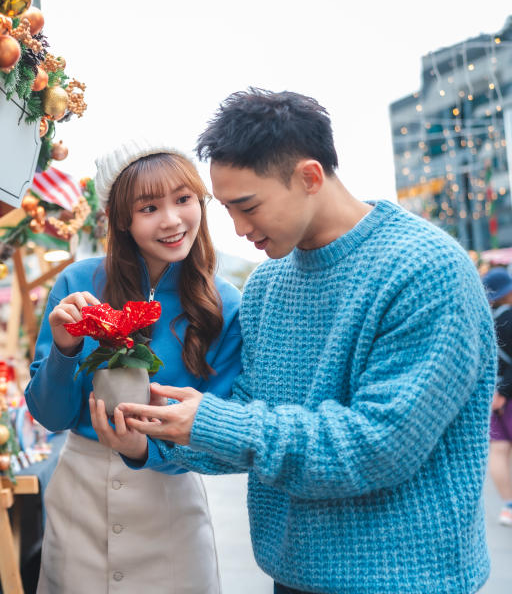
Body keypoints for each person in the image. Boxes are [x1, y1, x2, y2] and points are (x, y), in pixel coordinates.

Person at [92, 89, 495, 594]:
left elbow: (376, 446)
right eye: (227, 208)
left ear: (309, 177)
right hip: (292, 575)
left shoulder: (425, 271)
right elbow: (251, 416)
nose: (237, 228)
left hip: (409, 580)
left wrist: (212, 420)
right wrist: (153, 441)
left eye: (248, 206)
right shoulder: (266, 284)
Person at [25, 140, 243, 593]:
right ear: (122, 220)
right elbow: (49, 415)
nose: (171, 220)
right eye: (149, 207)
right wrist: (64, 349)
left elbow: (223, 428)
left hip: (170, 499)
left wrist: (148, 451)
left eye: (183, 200)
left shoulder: (223, 305)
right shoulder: (77, 284)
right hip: (79, 494)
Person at [481, 267, 512, 526]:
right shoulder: (510, 318)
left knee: (499, 450)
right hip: (507, 393)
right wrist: (504, 391)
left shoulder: (484, 319)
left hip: (491, 395)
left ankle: (508, 506)